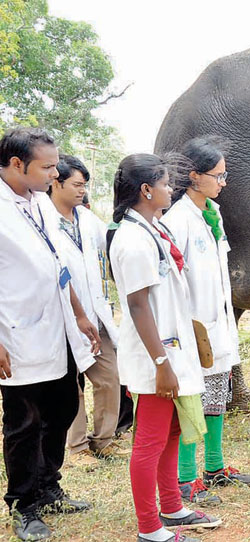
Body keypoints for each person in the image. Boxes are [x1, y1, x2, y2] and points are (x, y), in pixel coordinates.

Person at [107, 153, 221, 542]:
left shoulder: (153, 230)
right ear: (145, 189)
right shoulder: (133, 240)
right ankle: (148, 528)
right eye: (166, 183)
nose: (171, 189)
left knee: (172, 431)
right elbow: (138, 307)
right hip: (155, 356)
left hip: (172, 350)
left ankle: (171, 506)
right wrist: (161, 363)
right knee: (150, 441)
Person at [0, 127, 99, 540]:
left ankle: (48, 486)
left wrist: (78, 313)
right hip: (18, 334)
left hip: (59, 328)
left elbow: (57, 263)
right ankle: (23, 504)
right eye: (48, 166)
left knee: (61, 410)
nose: (55, 174)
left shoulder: (39, 202)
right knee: (24, 423)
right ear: (18, 164)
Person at [160, 137, 250, 505]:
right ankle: (185, 479)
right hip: (192, 329)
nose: (224, 182)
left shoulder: (211, 214)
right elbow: (172, 280)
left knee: (216, 395)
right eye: (218, 175)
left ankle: (214, 467)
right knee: (191, 401)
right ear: (195, 177)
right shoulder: (178, 220)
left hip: (218, 325)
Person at [44, 155, 126, 467]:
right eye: (77, 185)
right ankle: (77, 448)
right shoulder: (42, 219)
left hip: (96, 314)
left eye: (85, 185)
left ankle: (103, 441)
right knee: (71, 383)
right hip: (61, 317)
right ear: (56, 183)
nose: (82, 191)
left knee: (109, 377)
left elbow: (111, 245)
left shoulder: (87, 220)